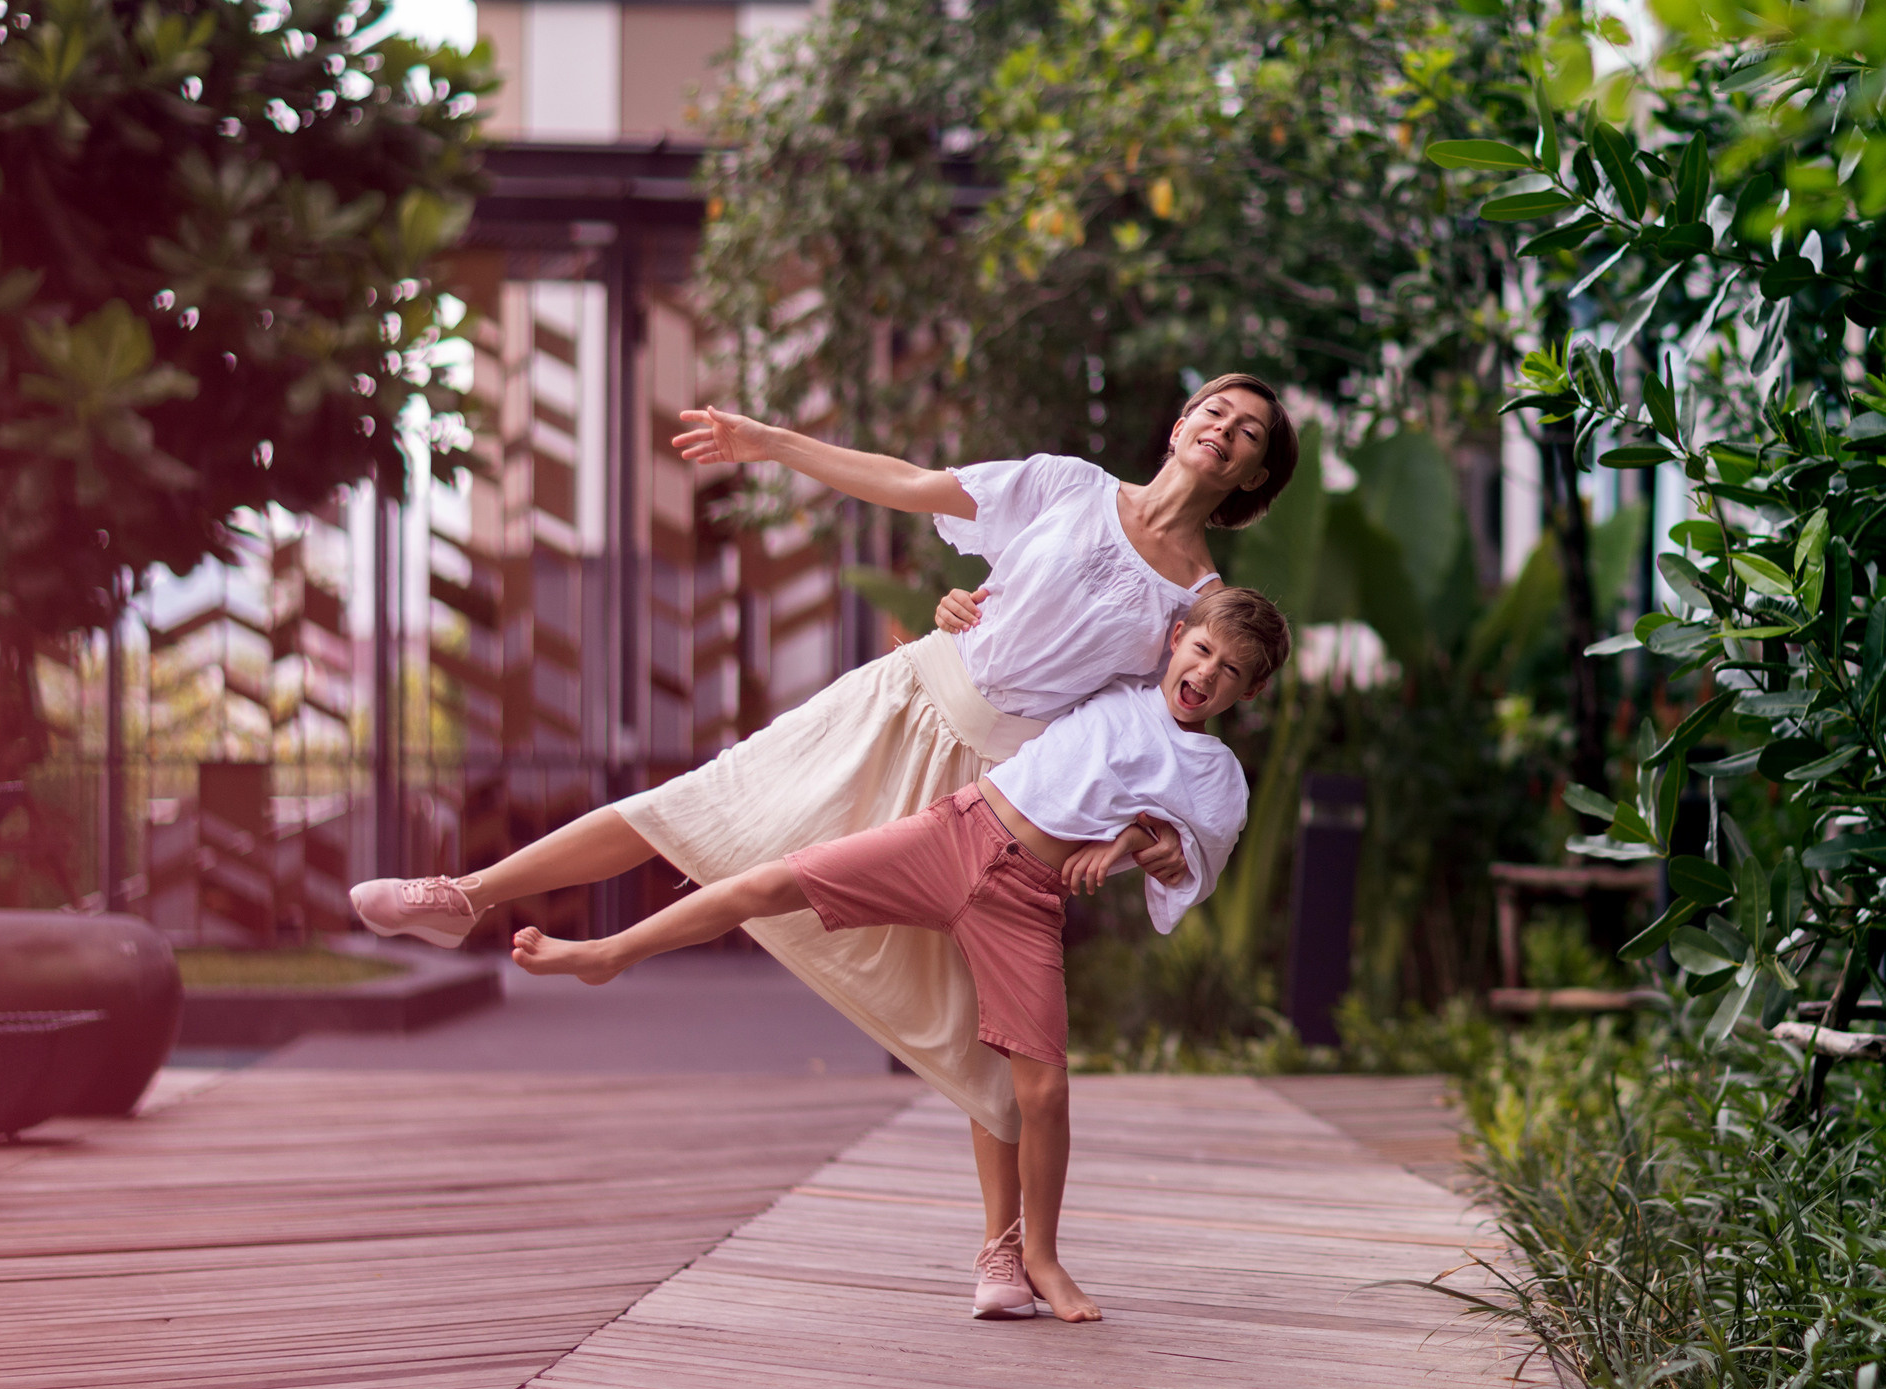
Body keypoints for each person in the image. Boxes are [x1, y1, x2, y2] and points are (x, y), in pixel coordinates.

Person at [351, 373, 1298, 1149]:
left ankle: (1004, 1251)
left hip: (991, 790)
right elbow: (908, 482)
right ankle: (463, 895)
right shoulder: (1065, 485)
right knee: (699, 801)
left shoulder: (1198, 605)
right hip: (901, 699)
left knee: (979, 1019)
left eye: (1248, 431)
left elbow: (1150, 737)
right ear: (1180, 422)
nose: (1225, 428)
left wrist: (1145, 837)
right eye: (1215, 409)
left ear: (1252, 478)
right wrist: (772, 444)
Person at [510, 588, 1291, 1323]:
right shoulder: (1107, 690)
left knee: (1043, 1090)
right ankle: (609, 951)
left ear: (1246, 693)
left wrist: (1138, 840)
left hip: (1025, 900)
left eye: (1229, 672)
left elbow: (1193, 850)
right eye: (1200, 649)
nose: (1205, 673)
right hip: (954, 832)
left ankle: (1043, 1257)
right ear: (1173, 641)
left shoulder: (1216, 774)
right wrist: (957, 610)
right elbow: (1020, 651)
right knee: (762, 884)